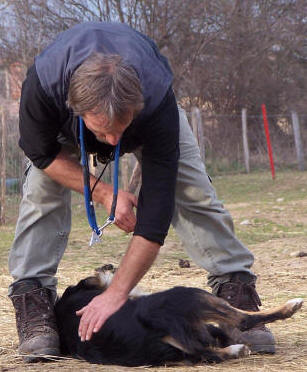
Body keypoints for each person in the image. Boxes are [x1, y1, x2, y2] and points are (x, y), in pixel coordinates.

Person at [8, 22, 275, 362]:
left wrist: (117, 292)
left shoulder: (156, 98)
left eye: (123, 128)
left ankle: (236, 297)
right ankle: (35, 304)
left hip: (149, 112)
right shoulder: (43, 89)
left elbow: (156, 214)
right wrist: (103, 192)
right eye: (105, 131)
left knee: (192, 190)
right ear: (79, 110)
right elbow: (42, 154)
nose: (115, 142)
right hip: (60, 127)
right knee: (42, 192)